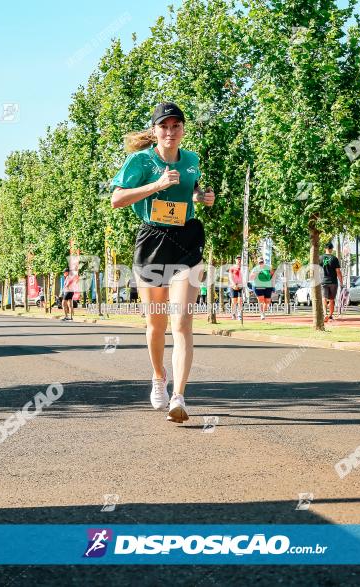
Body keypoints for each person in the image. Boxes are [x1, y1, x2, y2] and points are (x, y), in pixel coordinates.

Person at [110, 101, 215, 423]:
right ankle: (159, 378)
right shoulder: (140, 160)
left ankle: (179, 397)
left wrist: (201, 197)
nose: (170, 132)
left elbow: (190, 190)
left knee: (181, 322)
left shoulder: (193, 160)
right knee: (156, 321)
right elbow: (116, 200)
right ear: (155, 131)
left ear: (183, 129)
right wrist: (156, 185)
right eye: (164, 127)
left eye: (176, 126)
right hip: (153, 240)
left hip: (186, 240)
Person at [320, 243, 342, 323]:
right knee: (332, 299)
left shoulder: (320, 258)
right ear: (332, 249)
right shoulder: (334, 258)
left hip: (323, 281)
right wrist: (341, 282)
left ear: (325, 248)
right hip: (333, 282)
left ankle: (325, 313)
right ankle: (330, 315)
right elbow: (338, 272)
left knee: (324, 298)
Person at [228, 255, 244, 320]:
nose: (239, 260)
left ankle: (239, 314)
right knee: (234, 301)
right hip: (233, 286)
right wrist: (233, 284)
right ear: (235, 260)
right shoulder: (232, 268)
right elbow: (230, 277)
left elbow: (245, 277)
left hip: (240, 286)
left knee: (240, 301)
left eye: (240, 259)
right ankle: (233, 314)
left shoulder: (243, 268)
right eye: (237, 259)